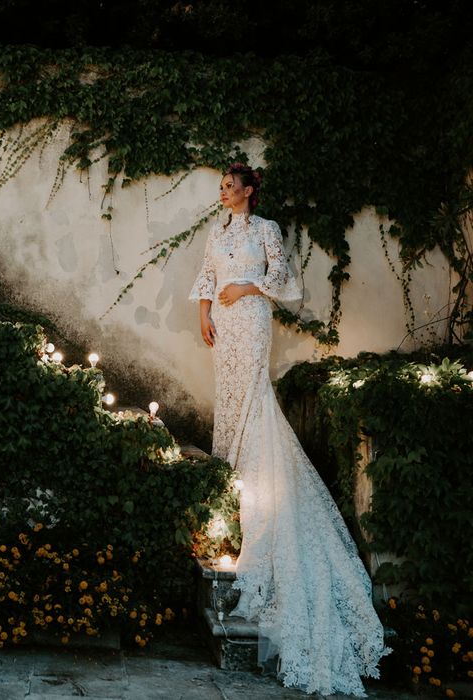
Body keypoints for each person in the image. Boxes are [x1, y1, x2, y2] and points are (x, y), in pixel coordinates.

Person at [190, 163, 389, 696]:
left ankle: (259, 490)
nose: (224, 192)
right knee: (228, 401)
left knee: (254, 396)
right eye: (222, 186)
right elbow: (206, 276)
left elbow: (283, 280)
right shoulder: (217, 233)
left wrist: (246, 286)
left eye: (231, 186)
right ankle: (230, 480)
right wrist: (206, 312)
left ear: (249, 191)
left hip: (253, 321)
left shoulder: (267, 230)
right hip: (224, 328)